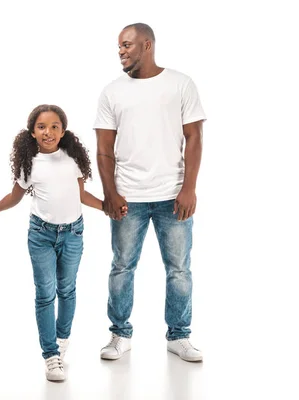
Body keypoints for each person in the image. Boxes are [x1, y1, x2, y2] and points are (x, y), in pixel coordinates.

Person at [0, 104, 127, 381]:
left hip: (73, 234)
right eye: (42, 127)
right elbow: (15, 197)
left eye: (55, 126)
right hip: (41, 235)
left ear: (63, 131)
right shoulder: (29, 163)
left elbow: (81, 195)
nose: (48, 132)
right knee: (45, 293)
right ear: (32, 132)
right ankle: (50, 355)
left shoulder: (72, 158)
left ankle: (62, 338)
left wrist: (107, 206)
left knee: (67, 289)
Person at [93, 23, 206, 362]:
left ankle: (179, 335)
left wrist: (189, 188)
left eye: (127, 45)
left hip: (172, 195)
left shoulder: (180, 84)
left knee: (179, 269)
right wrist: (110, 193)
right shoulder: (112, 91)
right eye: (118, 47)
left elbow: (195, 138)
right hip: (129, 196)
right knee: (122, 267)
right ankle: (119, 334)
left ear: (147, 45)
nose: (121, 51)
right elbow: (103, 149)